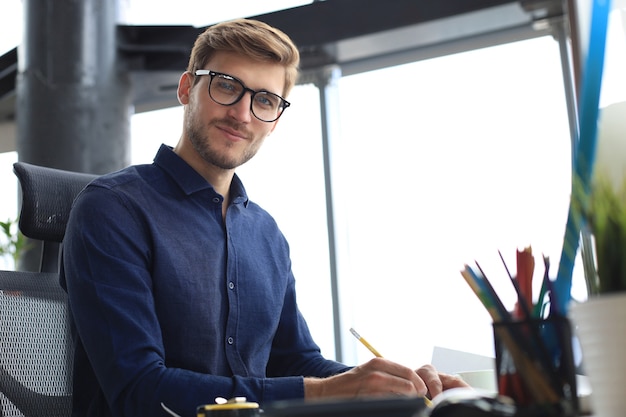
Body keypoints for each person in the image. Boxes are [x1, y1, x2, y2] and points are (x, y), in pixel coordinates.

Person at [60, 18, 467, 417]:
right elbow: (140, 391)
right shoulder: (112, 209)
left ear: (276, 121)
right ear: (188, 88)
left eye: (265, 101)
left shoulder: (265, 233)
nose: (242, 114)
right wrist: (330, 391)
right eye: (226, 86)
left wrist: (396, 385)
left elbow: (297, 363)